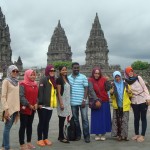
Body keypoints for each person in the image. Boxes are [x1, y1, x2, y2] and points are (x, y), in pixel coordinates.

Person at [124, 66, 150, 142]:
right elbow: (127, 92)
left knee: (143, 118)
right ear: (126, 73)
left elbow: (145, 87)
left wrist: (148, 98)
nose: (130, 73)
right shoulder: (126, 81)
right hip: (134, 101)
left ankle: (142, 135)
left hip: (142, 100)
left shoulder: (138, 78)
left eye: (131, 71)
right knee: (136, 118)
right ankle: (136, 134)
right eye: (128, 72)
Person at [68, 62, 90, 143]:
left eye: (77, 68)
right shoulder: (68, 78)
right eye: (75, 68)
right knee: (76, 120)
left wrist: (84, 100)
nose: (76, 69)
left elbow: (86, 89)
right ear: (72, 68)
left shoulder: (83, 77)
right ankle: (78, 135)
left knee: (85, 119)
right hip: (73, 102)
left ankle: (86, 136)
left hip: (82, 102)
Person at [88, 67, 111, 141]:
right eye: (95, 73)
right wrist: (96, 100)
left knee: (104, 118)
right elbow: (91, 90)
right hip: (96, 101)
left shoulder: (104, 79)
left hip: (104, 100)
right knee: (96, 118)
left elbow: (107, 89)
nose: (97, 75)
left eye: (98, 73)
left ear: (100, 73)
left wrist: (108, 81)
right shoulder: (90, 80)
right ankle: (97, 133)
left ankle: (103, 133)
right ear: (93, 73)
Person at [37, 65, 57, 147]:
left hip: (50, 105)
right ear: (47, 71)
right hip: (43, 105)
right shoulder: (43, 79)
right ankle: (39, 139)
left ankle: (45, 138)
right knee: (42, 122)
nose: (52, 71)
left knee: (47, 122)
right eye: (51, 70)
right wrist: (40, 103)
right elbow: (40, 92)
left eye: (53, 70)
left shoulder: (53, 80)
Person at [1, 65, 20, 150]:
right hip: (8, 109)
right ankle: (7, 147)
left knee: (8, 127)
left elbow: (17, 96)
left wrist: (18, 110)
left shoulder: (17, 82)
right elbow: (3, 96)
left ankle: (3, 145)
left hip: (15, 108)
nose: (15, 73)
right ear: (10, 71)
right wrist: (6, 110)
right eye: (13, 71)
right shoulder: (6, 81)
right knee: (7, 128)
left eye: (17, 71)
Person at [19, 69, 38, 150]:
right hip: (25, 109)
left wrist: (37, 103)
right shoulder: (22, 84)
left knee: (29, 126)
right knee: (23, 126)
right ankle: (22, 144)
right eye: (31, 75)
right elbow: (21, 97)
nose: (33, 76)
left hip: (32, 109)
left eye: (34, 74)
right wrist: (29, 105)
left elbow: (37, 96)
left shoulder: (35, 84)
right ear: (27, 75)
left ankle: (29, 142)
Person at [110, 71, 132, 141]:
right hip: (117, 106)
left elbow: (130, 95)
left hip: (125, 106)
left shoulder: (126, 84)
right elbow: (112, 98)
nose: (117, 78)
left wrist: (130, 92)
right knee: (118, 122)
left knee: (125, 121)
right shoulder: (113, 85)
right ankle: (119, 135)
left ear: (120, 76)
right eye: (116, 77)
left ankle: (125, 136)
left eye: (118, 76)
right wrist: (112, 93)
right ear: (114, 78)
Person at [56, 66, 71, 143]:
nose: (65, 71)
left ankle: (61, 136)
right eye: (63, 70)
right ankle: (61, 137)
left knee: (65, 119)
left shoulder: (66, 79)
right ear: (59, 71)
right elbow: (58, 92)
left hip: (67, 101)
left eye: (65, 70)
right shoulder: (59, 79)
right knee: (61, 120)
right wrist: (61, 103)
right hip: (62, 101)